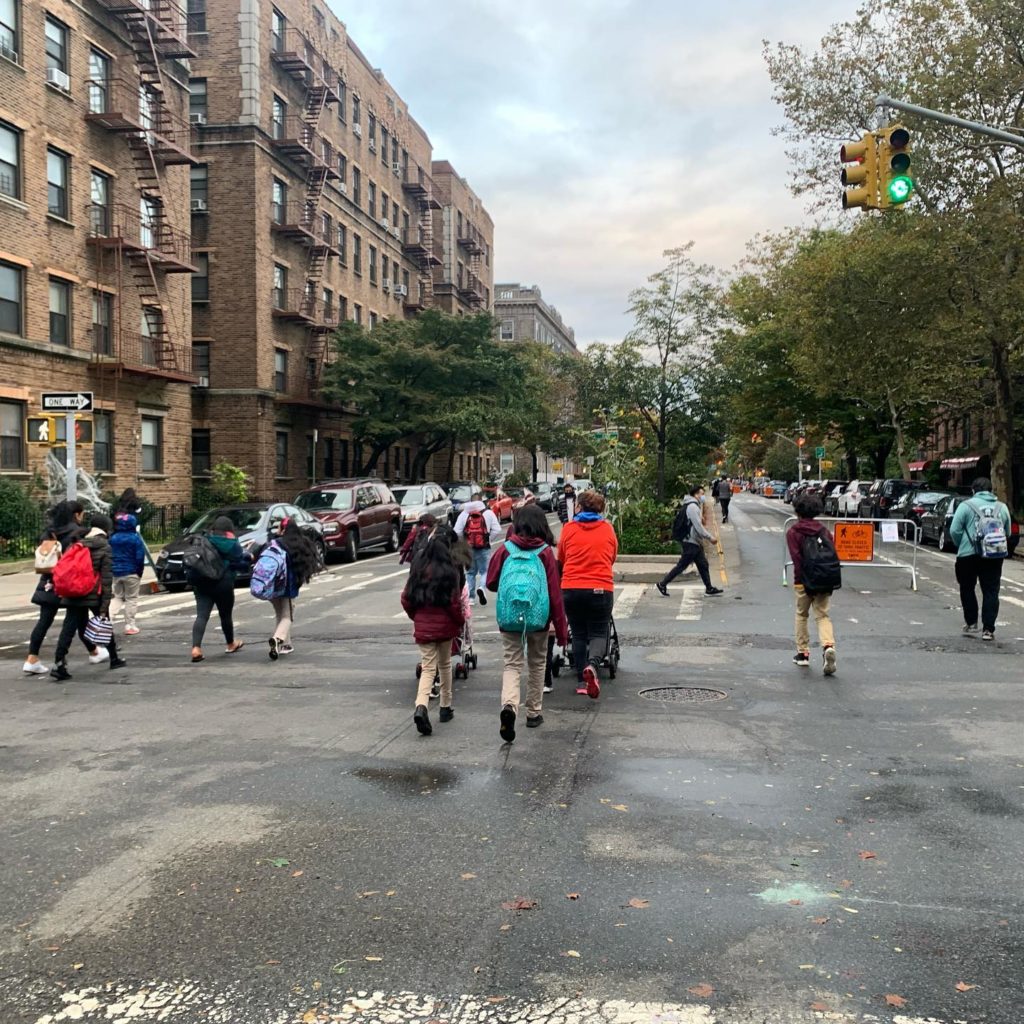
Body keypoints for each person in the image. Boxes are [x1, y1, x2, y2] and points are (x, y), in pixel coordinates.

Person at [486, 504, 568, 741]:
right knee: (537, 663)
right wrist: (561, 632)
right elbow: (555, 595)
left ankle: (510, 706)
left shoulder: (506, 549)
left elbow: (491, 582)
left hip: (510, 618)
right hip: (538, 620)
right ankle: (533, 713)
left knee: (512, 664)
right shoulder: (544, 553)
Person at [24, 500, 105, 675]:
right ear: (76, 514)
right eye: (81, 514)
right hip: (69, 580)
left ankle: (32, 658)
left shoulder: (49, 532)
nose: (82, 518)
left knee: (44, 620)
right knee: (78, 617)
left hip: (49, 580)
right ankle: (92, 653)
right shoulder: (77, 532)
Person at [401, 526, 466, 735]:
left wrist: (416, 617)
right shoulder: (450, 571)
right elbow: (454, 604)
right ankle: (446, 707)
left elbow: (406, 598)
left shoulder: (418, 570)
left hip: (423, 627)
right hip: (446, 628)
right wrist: (460, 622)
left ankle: (421, 704)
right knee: (445, 664)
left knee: (428, 668)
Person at [557, 489, 618, 700]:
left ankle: (582, 681)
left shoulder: (569, 529)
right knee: (599, 632)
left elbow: (562, 557)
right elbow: (612, 557)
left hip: (572, 588)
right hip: (600, 587)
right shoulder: (607, 529)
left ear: (580, 507)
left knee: (579, 633)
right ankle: (593, 666)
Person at [50, 513, 125, 680]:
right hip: (92, 593)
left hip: (73, 592)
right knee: (103, 623)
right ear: (106, 529)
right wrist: (105, 606)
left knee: (68, 629)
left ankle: (58, 663)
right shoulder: (104, 547)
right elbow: (106, 580)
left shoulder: (76, 544)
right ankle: (114, 657)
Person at [950, 477, 1012, 642]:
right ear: (991, 490)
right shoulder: (1002, 507)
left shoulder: (965, 506)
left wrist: (961, 544)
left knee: (967, 588)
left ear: (973, 490)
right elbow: (1008, 532)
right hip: (994, 555)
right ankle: (988, 630)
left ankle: (971, 623)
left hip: (968, 554)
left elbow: (954, 530)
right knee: (991, 591)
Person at [786, 492, 838, 675]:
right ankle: (827, 646)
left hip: (803, 580)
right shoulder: (823, 530)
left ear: (797, 510)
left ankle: (803, 654)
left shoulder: (793, 532)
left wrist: (801, 581)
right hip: (824, 578)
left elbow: (797, 558)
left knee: (802, 614)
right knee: (822, 615)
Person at [190, 516, 248, 663]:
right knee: (225, 615)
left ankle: (196, 648)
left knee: (202, 615)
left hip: (202, 582)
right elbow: (239, 558)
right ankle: (230, 643)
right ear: (229, 531)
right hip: (224, 583)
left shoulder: (204, 539)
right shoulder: (231, 544)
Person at [264, 519, 321, 660]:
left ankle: (285, 644)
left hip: (271, 585)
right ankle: (278, 639)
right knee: (287, 616)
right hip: (287, 586)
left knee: (280, 614)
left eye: (279, 528)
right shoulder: (300, 544)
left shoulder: (274, 543)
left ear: (283, 530)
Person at [656, 485, 723, 598]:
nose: (703, 496)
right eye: (702, 494)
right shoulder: (692, 507)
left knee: (703, 564)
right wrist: (710, 537)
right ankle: (662, 584)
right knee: (682, 566)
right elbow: (698, 526)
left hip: (694, 542)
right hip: (690, 541)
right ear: (696, 494)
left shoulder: (692, 505)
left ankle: (709, 588)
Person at [453, 490, 501, 606]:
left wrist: (464, 542)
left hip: (468, 548)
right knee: (485, 571)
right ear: (481, 501)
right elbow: (497, 529)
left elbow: (457, 531)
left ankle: (471, 598)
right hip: (484, 547)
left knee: (470, 572)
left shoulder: (464, 514)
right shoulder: (488, 513)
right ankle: (482, 588)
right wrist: (488, 539)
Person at [109, 513, 146, 635]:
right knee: (131, 598)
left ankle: (108, 620)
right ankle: (130, 625)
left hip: (116, 571)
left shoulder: (113, 538)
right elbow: (140, 557)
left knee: (117, 597)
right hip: (131, 572)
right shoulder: (135, 538)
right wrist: (139, 572)